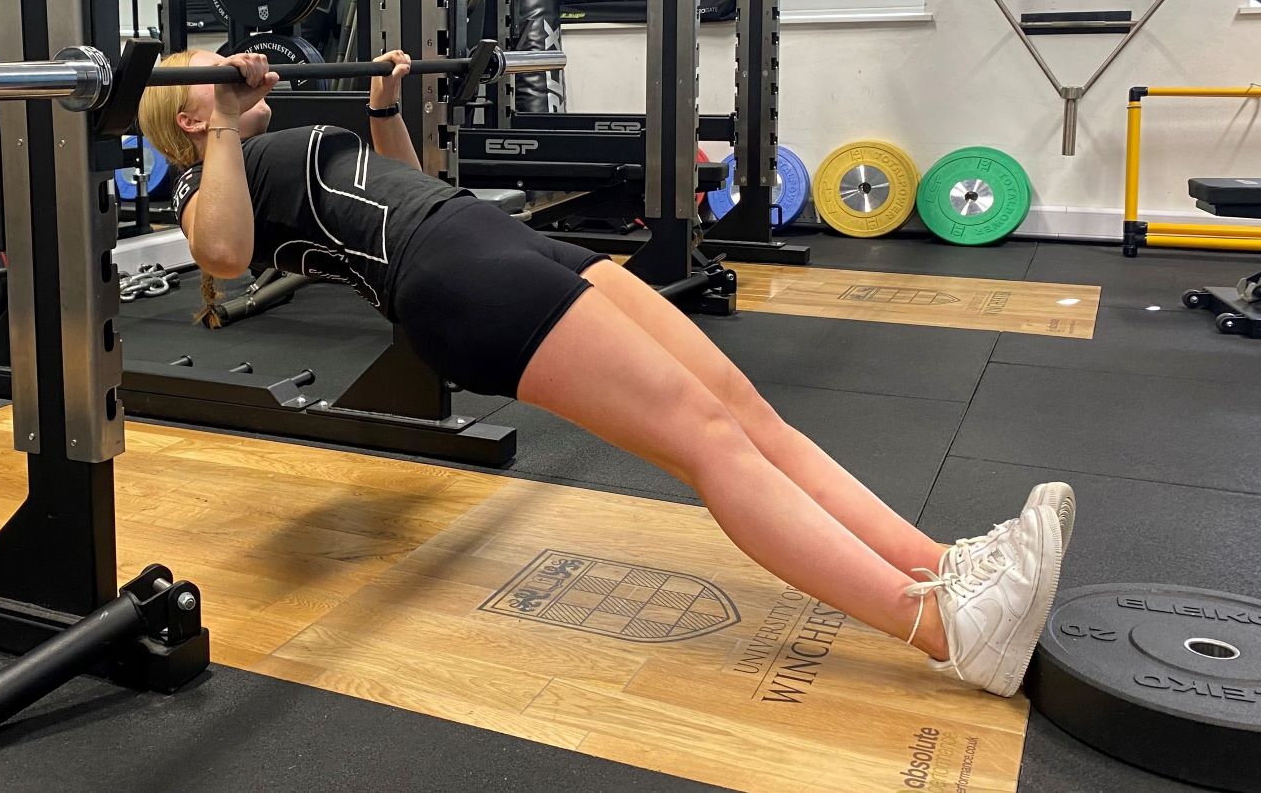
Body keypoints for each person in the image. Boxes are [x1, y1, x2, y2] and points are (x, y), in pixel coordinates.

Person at [137, 48, 1074, 697]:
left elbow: (402, 183)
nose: (245, 72)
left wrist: (383, 110)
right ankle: (949, 634)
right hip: (456, 281)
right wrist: (218, 127)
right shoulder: (208, 177)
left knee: (745, 414)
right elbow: (221, 255)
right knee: (707, 445)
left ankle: (943, 566)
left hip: (480, 236)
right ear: (191, 108)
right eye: (220, 73)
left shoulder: (266, 149)